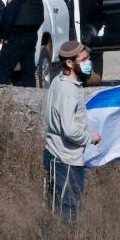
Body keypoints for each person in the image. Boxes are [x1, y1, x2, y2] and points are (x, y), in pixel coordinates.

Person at [43, 40, 101, 220]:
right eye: (83, 59)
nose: (87, 62)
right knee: (67, 211)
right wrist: (90, 138)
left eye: (88, 58)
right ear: (69, 63)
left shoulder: (58, 81)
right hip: (65, 159)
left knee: (56, 206)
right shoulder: (68, 90)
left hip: (56, 155)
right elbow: (69, 130)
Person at [0, 0, 45, 87]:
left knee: (4, 66)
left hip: (17, 34)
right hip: (32, 34)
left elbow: (9, 15)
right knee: (28, 67)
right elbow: (39, 13)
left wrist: (4, 36)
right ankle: (30, 92)